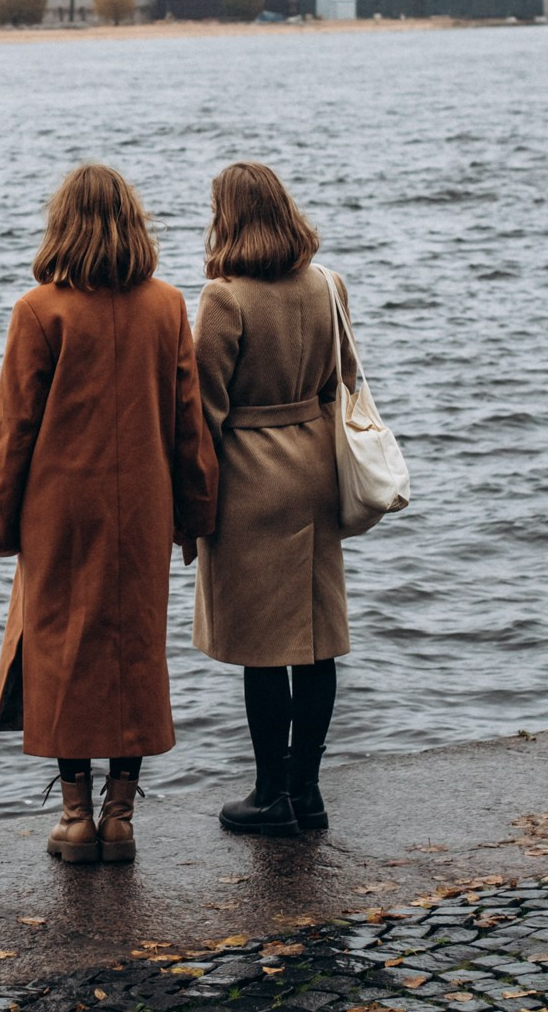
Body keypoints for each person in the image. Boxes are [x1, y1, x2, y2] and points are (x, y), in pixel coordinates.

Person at [0, 163, 217, 864]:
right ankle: (121, 814)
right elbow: (187, 423)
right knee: (134, 647)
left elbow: (14, 430)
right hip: (143, 507)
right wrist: (196, 513)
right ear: (134, 225)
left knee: (61, 648)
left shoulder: (38, 310)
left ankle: (75, 816)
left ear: (62, 225)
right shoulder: (167, 305)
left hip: (59, 510)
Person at [191, 161, 356, 836]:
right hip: (316, 471)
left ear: (227, 216)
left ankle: (268, 793)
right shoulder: (328, 285)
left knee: (262, 649)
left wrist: (187, 505)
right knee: (316, 641)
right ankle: (307, 792)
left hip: (250, 479)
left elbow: (202, 409)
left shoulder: (223, 298)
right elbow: (343, 382)